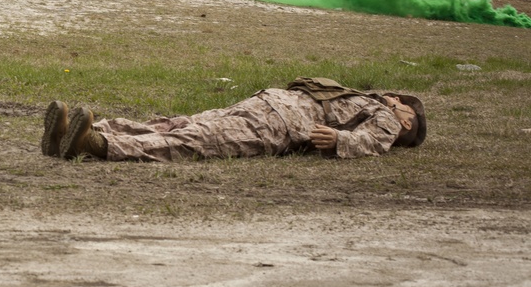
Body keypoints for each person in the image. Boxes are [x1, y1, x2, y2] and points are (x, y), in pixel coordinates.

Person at [41, 77, 426, 162]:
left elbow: (373, 142)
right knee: (179, 124)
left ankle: (99, 142)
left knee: (195, 141)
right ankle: (78, 133)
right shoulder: (364, 98)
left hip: (278, 127)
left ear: (407, 122)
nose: (395, 97)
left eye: (402, 103)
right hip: (265, 105)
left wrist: (340, 141)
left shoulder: (386, 119)